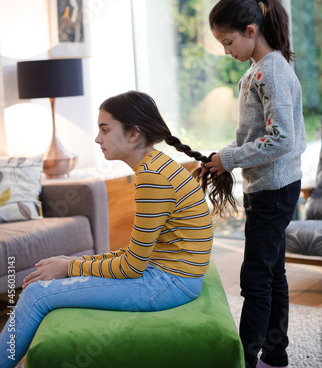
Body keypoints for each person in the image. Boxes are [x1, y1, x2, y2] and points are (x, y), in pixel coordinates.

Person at [0, 90, 236, 368]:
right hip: (171, 276)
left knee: (38, 293)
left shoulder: (152, 179)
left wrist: (71, 267)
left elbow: (133, 266)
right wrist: (72, 263)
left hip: (169, 283)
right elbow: (136, 255)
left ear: (133, 134)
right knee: (47, 283)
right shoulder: (157, 166)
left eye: (105, 129)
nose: (97, 139)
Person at [203, 0, 307, 368]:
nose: (226, 50)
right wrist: (222, 158)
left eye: (228, 42)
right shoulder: (256, 71)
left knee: (256, 279)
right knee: (273, 272)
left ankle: (244, 360)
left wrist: (229, 158)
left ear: (250, 31)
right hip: (269, 187)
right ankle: (276, 355)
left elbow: (282, 138)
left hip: (275, 189)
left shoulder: (273, 72)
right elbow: (253, 135)